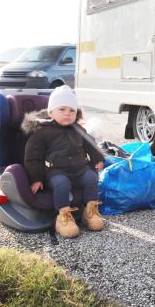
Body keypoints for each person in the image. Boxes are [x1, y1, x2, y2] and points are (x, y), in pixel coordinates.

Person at [23, 85, 106, 238]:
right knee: (62, 183)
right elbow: (33, 157)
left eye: (72, 110)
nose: (67, 113)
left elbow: (91, 145)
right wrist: (36, 178)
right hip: (55, 171)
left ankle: (90, 212)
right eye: (62, 109)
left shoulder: (78, 129)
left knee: (91, 177)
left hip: (79, 169)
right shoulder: (42, 132)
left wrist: (98, 159)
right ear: (51, 112)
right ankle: (63, 217)